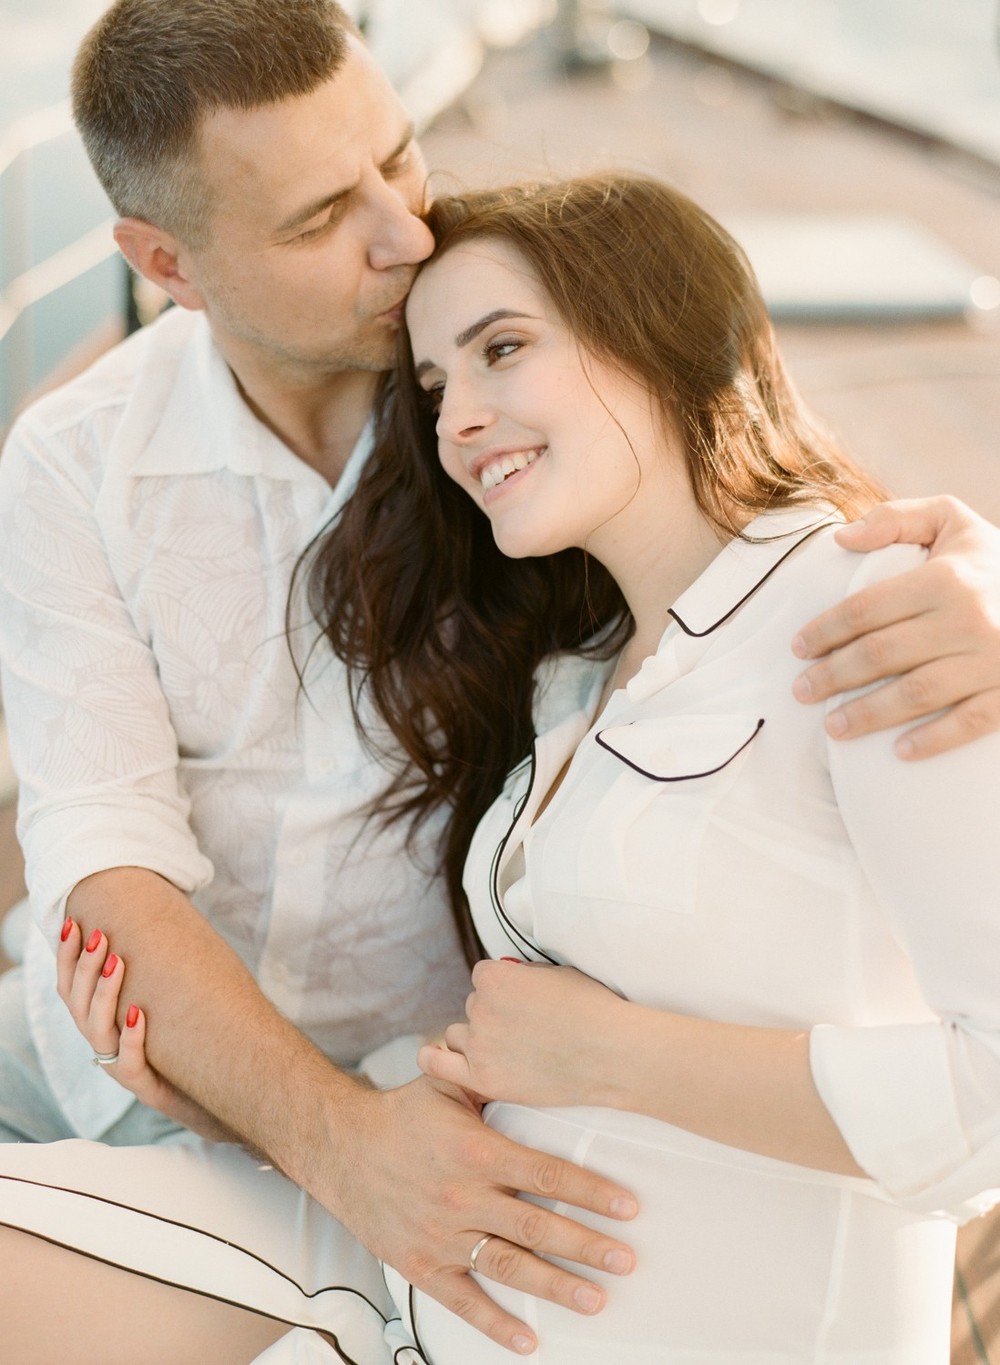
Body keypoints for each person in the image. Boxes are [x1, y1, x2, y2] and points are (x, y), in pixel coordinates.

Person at [1, 0, 1000, 1355]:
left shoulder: (501, 354)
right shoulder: (76, 462)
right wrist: (336, 1141)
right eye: (315, 221)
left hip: (451, 1129)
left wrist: (978, 577)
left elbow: (723, 452)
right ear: (166, 264)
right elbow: (99, 858)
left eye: (398, 157)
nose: (403, 235)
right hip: (168, 1083)